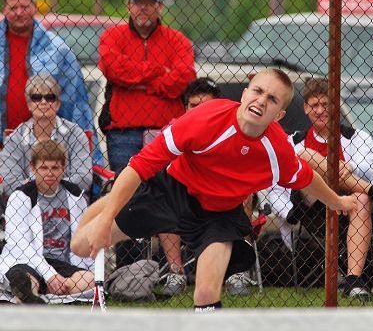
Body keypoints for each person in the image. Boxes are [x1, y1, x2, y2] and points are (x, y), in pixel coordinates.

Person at [71, 68, 357, 311]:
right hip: (172, 193)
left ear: (279, 115)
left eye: (271, 99)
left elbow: (307, 179)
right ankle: (112, 203)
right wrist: (107, 218)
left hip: (218, 216)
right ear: (244, 94)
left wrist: (338, 202)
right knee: (82, 246)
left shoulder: (276, 149)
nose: (261, 101)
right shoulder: (204, 118)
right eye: (257, 91)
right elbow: (138, 167)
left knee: (207, 294)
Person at [98, 0, 196, 267]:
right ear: (128, 6)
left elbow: (182, 80)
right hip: (124, 133)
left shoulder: (178, 40)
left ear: (159, 7)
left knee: (169, 195)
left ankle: (174, 267)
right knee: (126, 197)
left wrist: (139, 80)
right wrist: (157, 73)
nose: (144, 9)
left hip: (166, 132)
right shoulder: (112, 36)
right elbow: (114, 70)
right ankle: (129, 266)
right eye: (138, 3)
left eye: (149, 3)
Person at [267, 77, 373, 300]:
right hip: (312, 206)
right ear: (305, 108)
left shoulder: (358, 137)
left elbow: (364, 166)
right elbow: (276, 181)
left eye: (325, 104)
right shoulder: (296, 141)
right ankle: (369, 190)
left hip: (350, 207)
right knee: (304, 156)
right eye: (314, 105)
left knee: (362, 199)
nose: (320, 110)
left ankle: (353, 281)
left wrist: (335, 167)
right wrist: (337, 167)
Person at [0, 0, 103, 165]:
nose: (19, 12)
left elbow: (76, 105)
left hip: (46, 149)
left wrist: (91, 161)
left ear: (34, 7)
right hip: (3, 143)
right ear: (4, 10)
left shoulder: (57, 50)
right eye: (13, 8)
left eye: (25, 6)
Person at [0, 140, 94, 304]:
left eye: (55, 168)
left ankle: (36, 294)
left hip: (62, 263)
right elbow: (20, 244)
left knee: (89, 280)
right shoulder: (20, 197)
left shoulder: (75, 196)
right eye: (44, 168)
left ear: (63, 169)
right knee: (24, 279)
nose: (49, 173)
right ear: (33, 168)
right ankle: (34, 290)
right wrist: (48, 274)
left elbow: (85, 236)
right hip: (28, 260)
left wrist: (56, 276)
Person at [158, 77, 221, 297]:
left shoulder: (230, 129)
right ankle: (176, 271)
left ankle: (235, 271)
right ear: (185, 108)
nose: (199, 112)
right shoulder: (172, 130)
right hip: (182, 197)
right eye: (194, 106)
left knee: (244, 193)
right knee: (163, 197)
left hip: (219, 196)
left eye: (206, 107)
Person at [0, 74, 93, 200]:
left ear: (58, 104)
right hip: (27, 204)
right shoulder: (14, 138)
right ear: (29, 105)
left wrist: (43, 188)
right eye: (36, 98)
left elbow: (84, 177)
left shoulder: (75, 134)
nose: (43, 102)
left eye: (50, 97)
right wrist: (46, 189)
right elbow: (9, 183)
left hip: (68, 202)